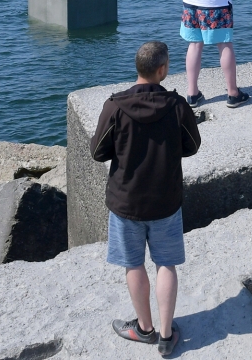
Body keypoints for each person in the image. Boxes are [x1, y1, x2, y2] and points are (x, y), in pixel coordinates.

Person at [91, 41, 200, 358]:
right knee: (166, 264)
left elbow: (98, 152)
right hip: (166, 202)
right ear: (162, 70)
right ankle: (166, 336)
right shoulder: (177, 105)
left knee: (134, 264)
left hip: (126, 203)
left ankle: (144, 329)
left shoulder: (115, 106)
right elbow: (192, 145)